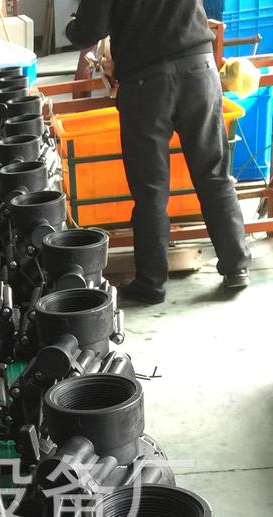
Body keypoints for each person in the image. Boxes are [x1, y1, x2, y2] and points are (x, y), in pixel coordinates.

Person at [67, 0, 251, 302]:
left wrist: (73, 28)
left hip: (146, 82)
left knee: (151, 189)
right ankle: (236, 266)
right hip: (199, 68)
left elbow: (89, 30)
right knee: (214, 174)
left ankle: (151, 284)